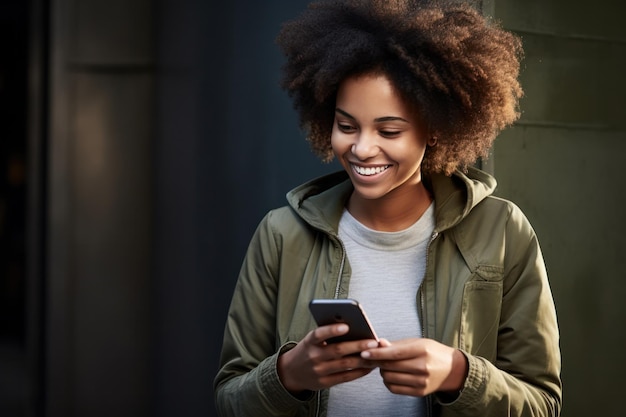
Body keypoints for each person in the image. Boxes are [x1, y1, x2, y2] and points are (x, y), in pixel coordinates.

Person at [214, 1, 562, 416]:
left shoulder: (503, 231)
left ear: (434, 130)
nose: (362, 148)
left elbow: (543, 405)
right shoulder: (280, 234)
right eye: (346, 126)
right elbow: (229, 400)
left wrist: (458, 374)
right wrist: (289, 374)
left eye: (389, 130)